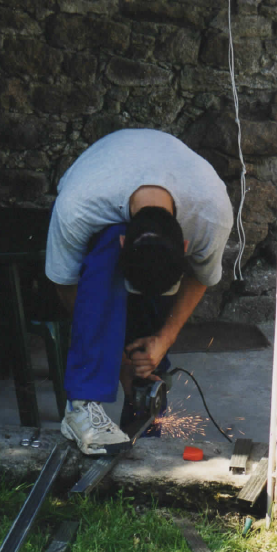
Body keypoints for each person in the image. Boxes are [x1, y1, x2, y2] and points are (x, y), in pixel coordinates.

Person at [45, 128, 233, 456]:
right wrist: (116, 357)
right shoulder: (77, 209)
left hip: (164, 199)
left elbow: (200, 277)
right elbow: (65, 285)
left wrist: (163, 340)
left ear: (185, 245)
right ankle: (82, 404)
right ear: (125, 245)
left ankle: (143, 403)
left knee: (153, 294)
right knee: (104, 251)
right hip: (102, 186)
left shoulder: (211, 215)